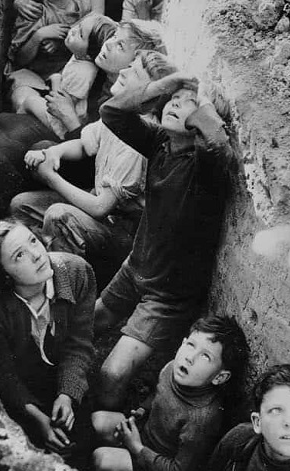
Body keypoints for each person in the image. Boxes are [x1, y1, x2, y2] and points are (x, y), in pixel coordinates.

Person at [95, 73, 234, 411]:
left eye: (188, 103)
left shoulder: (204, 167)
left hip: (168, 295)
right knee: (90, 321)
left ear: (202, 120)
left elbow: (218, 146)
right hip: (135, 268)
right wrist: (163, 85)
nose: (175, 104)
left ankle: (103, 426)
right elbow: (112, 112)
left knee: (113, 374)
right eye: (174, 99)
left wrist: (204, 100)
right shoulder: (160, 142)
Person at [9, 51, 176, 291]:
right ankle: (37, 268)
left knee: (59, 216)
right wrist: (55, 152)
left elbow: (101, 207)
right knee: (21, 206)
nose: (124, 71)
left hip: (121, 233)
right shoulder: (118, 115)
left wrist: (51, 177)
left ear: (148, 95)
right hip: (98, 214)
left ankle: (64, 289)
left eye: (135, 72)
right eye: (129, 65)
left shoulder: (137, 142)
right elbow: (85, 144)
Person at [92, 315, 250, 471]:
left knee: (102, 459)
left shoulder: (202, 419)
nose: (190, 357)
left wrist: (137, 448)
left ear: (220, 377)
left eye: (205, 356)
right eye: (191, 345)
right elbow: (158, 393)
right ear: (183, 343)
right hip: (144, 439)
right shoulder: (172, 368)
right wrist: (141, 411)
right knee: (98, 420)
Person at [0, 218, 95, 464]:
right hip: (23, 394)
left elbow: (79, 345)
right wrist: (37, 419)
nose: (36, 255)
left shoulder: (76, 272)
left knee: (82, 447)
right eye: (19, 255)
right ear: (3, 274)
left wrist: (67, 394)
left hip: (63, 379)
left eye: (33, 241)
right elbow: (4, 373)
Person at [5, 0, 92, 112]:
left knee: (82, 82)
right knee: (22, 97)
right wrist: (39, 36)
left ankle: (62, 117)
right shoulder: (36, 13)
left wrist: (62, 42)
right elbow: (19, 60)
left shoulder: (83, 3)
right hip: (34, 75)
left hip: (66, 73)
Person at [18, 12, 102, 133]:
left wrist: (56, 79)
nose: (73, 31)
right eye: (78, 26)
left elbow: (62, 104)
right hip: (61, 110)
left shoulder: (82, 72)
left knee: (30, 101)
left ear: (89, 55)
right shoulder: (79, 56)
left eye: (81, 35)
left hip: (61, 123)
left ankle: (16, 128)